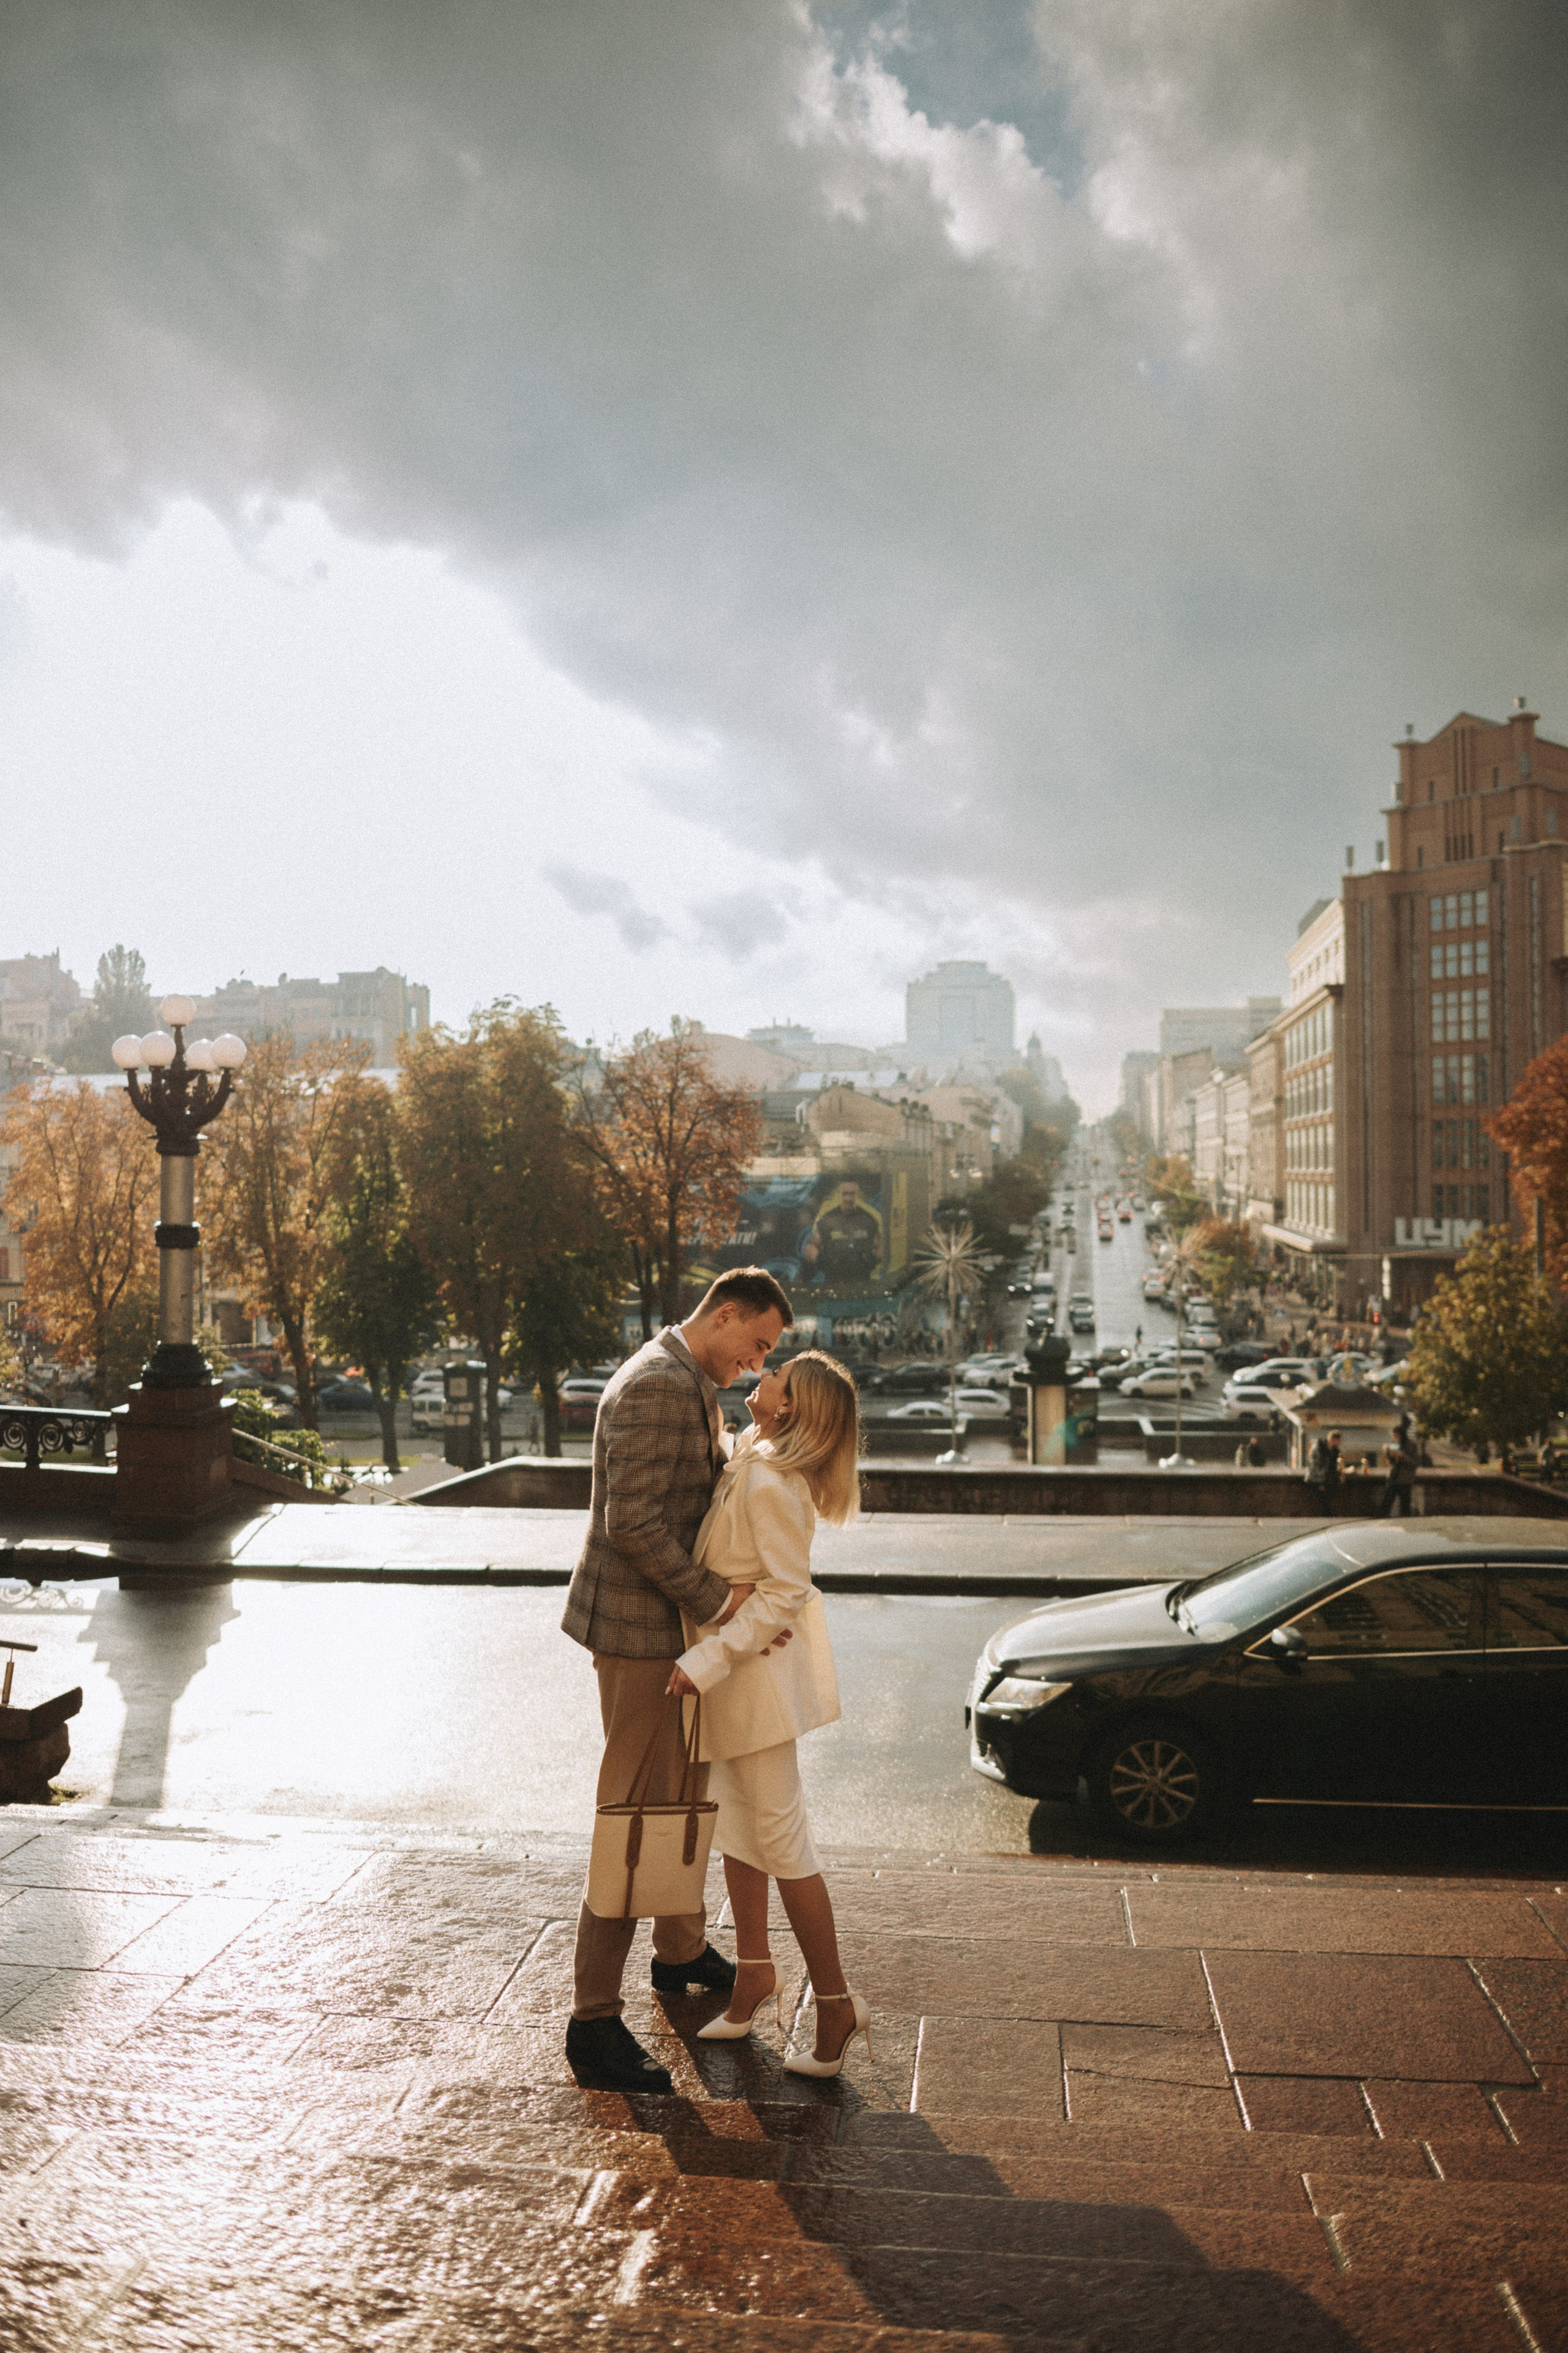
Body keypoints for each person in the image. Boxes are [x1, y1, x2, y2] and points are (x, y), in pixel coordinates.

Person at [560, 1266, 793, 2094]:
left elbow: (696, 1484)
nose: (759, 1361)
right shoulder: (662, 1386)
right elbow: (635, 1524)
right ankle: (592, 2021)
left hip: (663, 1636)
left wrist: (755, 1428)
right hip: (641, 1637)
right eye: (758, 1343)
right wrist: (719, 1602)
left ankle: (680, 1952)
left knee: (679, 1795)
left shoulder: (688, 1375)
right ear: (724, 1314)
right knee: (636, 1814)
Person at [666, 1351, 871, 2077]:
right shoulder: (755, 1456)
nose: (767, 1375)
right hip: (736, 1683)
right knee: (737, 1827)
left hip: (750, 1686)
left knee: (784, 1844)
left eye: (778, 1374)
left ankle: (837, 2001)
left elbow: (787, 1592)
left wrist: (706, 1661)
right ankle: (754, 1972)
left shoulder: (773, 1480)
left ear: (788, 1407)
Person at [1379, 1415, 1419, 1516]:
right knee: (1386, 1503)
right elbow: (1392, 1462)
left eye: (1396, 1436)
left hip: (1405, 1479)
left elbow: (1415, 1463)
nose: (1394, 1438)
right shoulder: (1394, 1444)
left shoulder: (1411, 1445)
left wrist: (1402, 1455)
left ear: (1401, 1435)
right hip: (1394, 1477)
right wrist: (1388, 1453)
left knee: (1405, 1506)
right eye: (1393, 1436)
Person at [1306, 1427, 1342, 1513]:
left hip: (1328, 1479)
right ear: (1334, 1440)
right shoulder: (1319, 1448)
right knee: (1323, 1499)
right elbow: (1316, 1466)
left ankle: (1328, 1513)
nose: (1340, 1443)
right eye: (1339, 1441)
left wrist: (1339, 1475)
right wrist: (1320, 1483)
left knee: (1329, 1497)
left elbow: (1333, 1466)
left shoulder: (1335, 1450)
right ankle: (1326, 1514)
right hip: (1316, 1479)